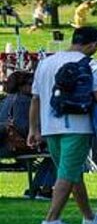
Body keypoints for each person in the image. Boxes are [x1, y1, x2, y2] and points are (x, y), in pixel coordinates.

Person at [27, 25, 97, 224]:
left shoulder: (46, 62)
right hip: (77, 125)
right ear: (92, 44)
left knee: (71, 173)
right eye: (96, 46)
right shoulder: (90, 64)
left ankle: (90, 218)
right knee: (67, 174)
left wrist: (33, 128)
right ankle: (51, 221)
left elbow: (36, 98)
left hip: (49, 126)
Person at [2, 70, 56, 200]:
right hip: (16, 145)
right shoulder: (27, 101)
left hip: (5, 143)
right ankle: (44, 189)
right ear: (22, 86)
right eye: (32, 83)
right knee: (57, 152)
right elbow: (26, 129)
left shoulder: (6, 100)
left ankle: (35, 189)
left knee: (52, 152)